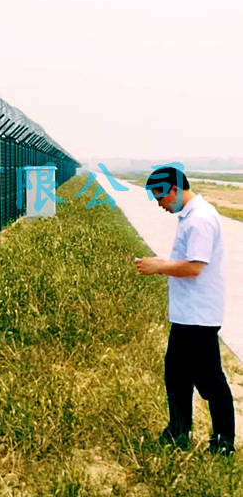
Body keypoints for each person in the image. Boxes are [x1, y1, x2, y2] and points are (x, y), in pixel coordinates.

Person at [134, 165, 235, 455]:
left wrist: (159, 266)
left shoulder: (199, 219)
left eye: (161, 197)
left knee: (210, 380)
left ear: (175, 190)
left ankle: (224, 443)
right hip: (188, 315)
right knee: (177, 376)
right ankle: (178, 432)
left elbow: (194, 267)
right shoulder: (191, 216)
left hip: (198, 316)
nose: (160, 204)